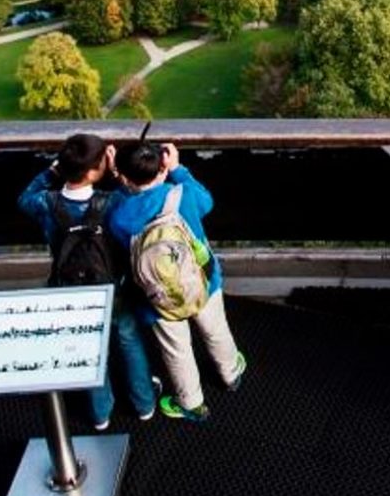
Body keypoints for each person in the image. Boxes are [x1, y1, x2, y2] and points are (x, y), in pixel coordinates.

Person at [16, 134, 161, 429]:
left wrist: (52, 172)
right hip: (113, 286)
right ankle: (144, 402)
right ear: (97, 169)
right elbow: (139, 201)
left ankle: (100, 413)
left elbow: (24, 199)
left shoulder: (46, 202)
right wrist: (118, 172)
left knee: (88, 348)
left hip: (69, 290)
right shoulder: (113, 201)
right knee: (128, 339)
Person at [104, 140, 244, 422]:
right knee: (216, 330)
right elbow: (208, 201)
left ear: (124, 176)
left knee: (177, 349)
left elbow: (122, 222)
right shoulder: (182, 194)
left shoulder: (119, 215)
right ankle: (230, 373)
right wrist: (178, 169)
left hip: (156, 298)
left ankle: (191, 402)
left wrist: (119, 178)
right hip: (203, 281)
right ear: (162, 169)